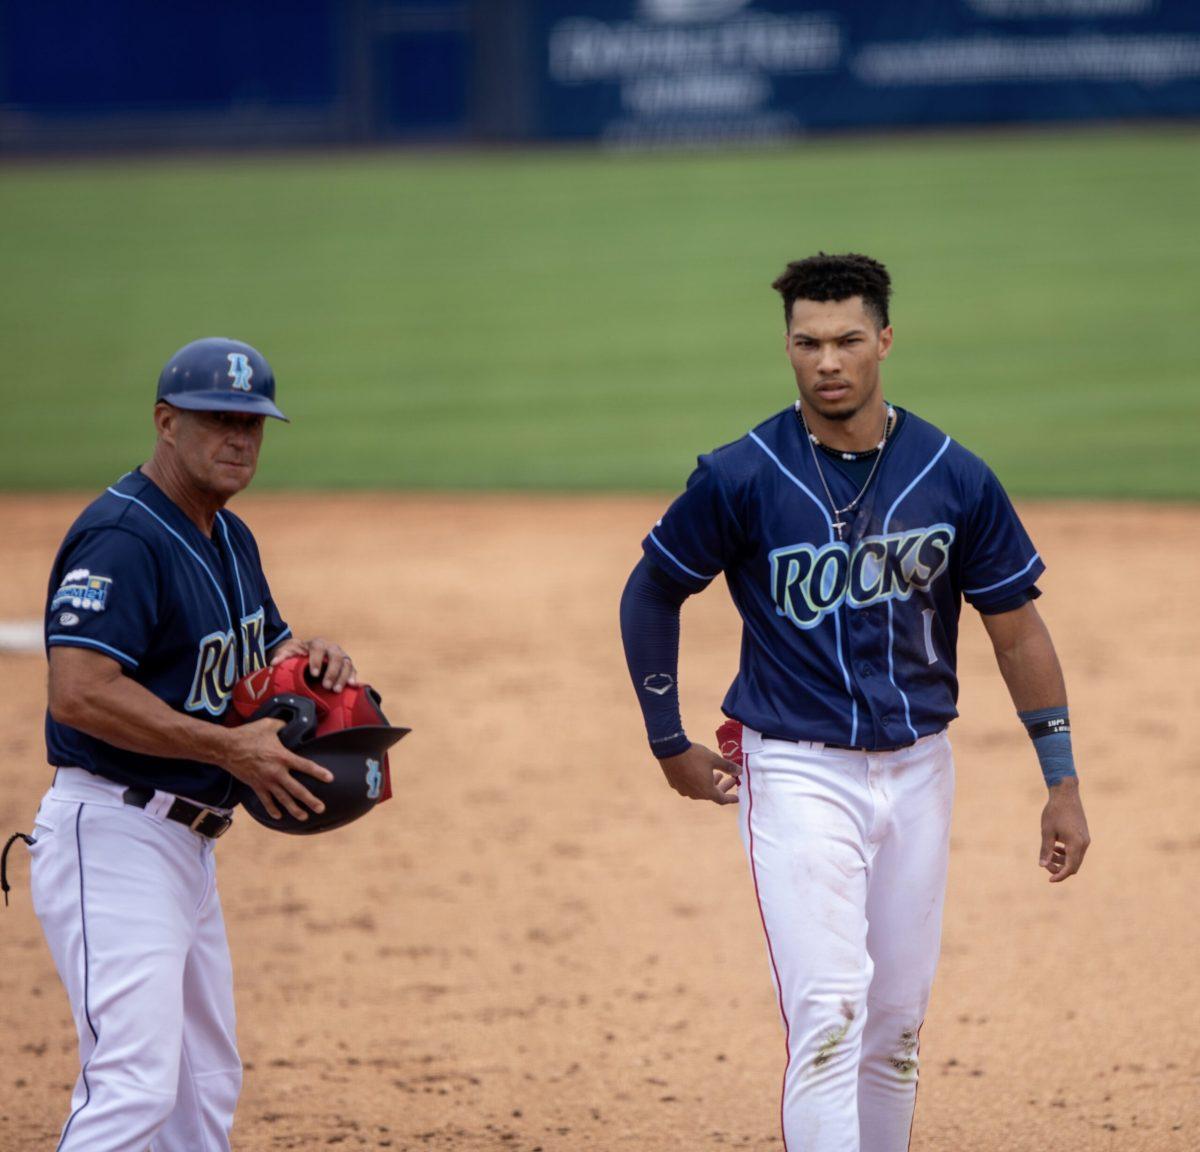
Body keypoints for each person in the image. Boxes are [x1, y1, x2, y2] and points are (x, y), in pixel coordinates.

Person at [619, 254, 1090, 1151]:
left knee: (898, 1030)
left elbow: (1017, 630)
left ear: (883, 340)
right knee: (830, 1016)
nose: (826, 361)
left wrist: (1060, 777)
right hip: (797, 772)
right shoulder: (741, 475)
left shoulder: (954, 474)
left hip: (920, 773)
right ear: (787, 347)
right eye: (806, 343)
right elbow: (651, 590)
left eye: (844, 340)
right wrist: (666, 737)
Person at [24, 337, 357, 1150]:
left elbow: (263, 654)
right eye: (218, 420)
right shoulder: (123, 539)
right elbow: (79, 692)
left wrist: (308, 659)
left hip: (183, 846)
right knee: (135, 1084)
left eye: (253, 422)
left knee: (200, 1088)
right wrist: (227, 749)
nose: (239, 439)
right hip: (113, 838)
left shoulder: (228, 536)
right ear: (166, 423)